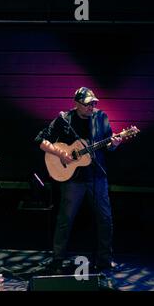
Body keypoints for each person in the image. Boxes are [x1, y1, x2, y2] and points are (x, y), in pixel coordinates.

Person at [35, 87, 123, 272]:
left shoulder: (101, 118)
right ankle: (57, 260)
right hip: (72, 179)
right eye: (87, 104)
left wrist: (114, 143)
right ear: (76, 104)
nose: (92, 107)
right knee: (65, 219)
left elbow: (108, 146)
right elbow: (41, 140)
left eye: (93, 103)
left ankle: (105, 260)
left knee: (105, 218)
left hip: (97, 177)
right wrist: (61, 153)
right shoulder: (64, 119)